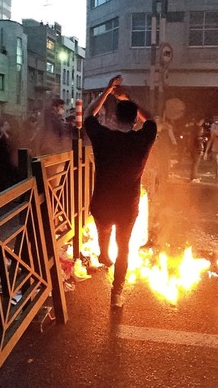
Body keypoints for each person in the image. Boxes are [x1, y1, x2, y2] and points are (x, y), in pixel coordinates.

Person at [84, 75, 156, 308]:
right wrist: (128, 97)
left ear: (113, 118)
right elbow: (152, 118)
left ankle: (104, 254)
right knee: (123, 248)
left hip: (102, 203)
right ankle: (116, 294)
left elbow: (88, 115)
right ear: (135, 120)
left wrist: (107, 91)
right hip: (127, 206)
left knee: (103, 233)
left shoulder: (103, 137)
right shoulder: (143, 140)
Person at [189, 118, 206, 183]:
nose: (202, 131)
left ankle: (193, 176)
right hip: (196, 150)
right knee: (195, 164)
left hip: (192, 149)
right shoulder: (198, 129)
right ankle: (193, 177)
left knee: (194, 164)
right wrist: (201, 150)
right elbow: (199, 143)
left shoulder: (193, 129)